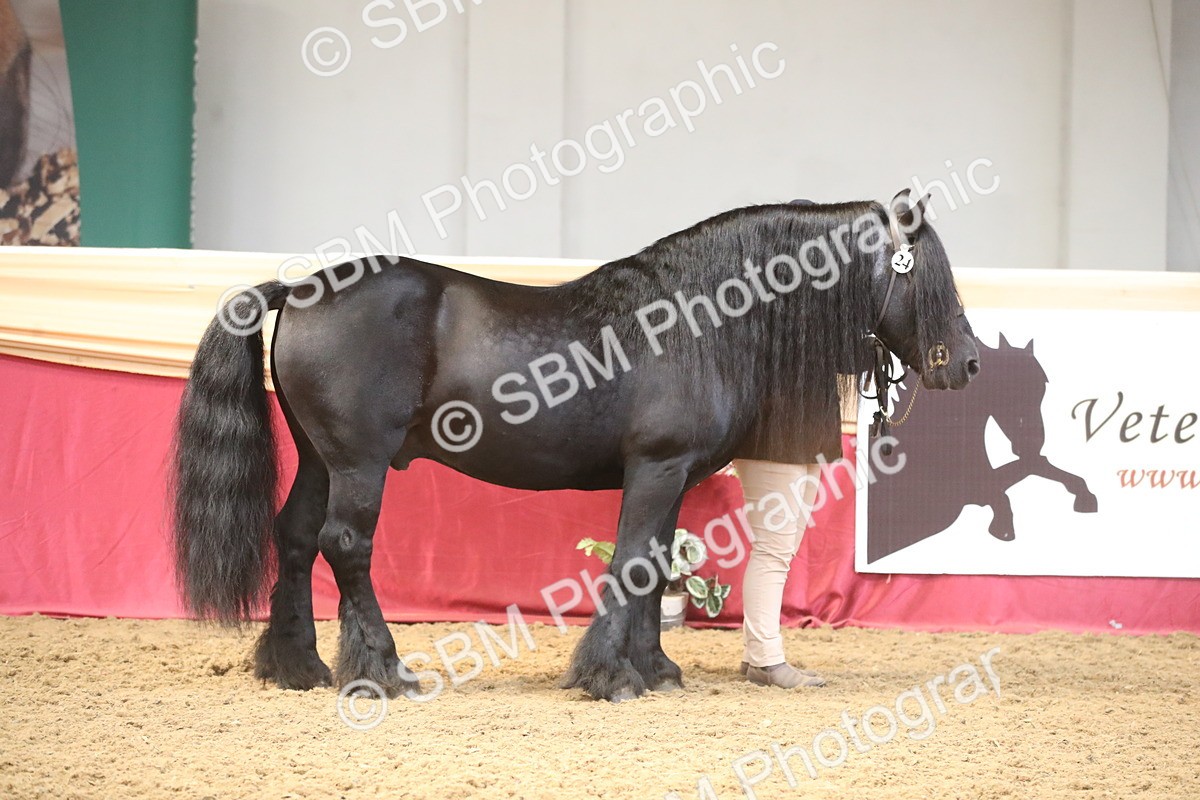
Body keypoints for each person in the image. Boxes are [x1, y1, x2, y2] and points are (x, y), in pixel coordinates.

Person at [733, 459, 827, 688]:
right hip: (775, 435)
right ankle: (766, 660)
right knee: (772, 550)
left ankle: (756, 653)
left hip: (808, 432)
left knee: (782, 549)